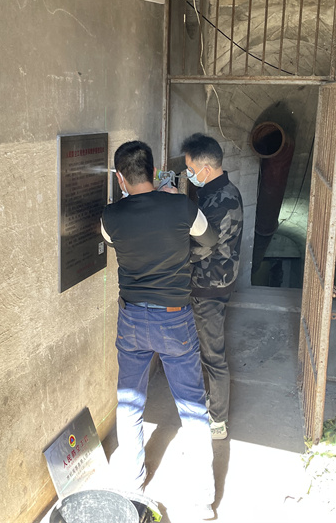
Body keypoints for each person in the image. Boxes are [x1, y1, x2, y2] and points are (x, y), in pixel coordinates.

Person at [101, 140, 218, 520]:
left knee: (129, 402)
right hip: (174, 319)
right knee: (193, 407)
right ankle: (202, 501)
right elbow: (209, 238)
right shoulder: (181, 206)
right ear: (153, 172)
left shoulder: (110, 216)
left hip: (132, 320)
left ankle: (132, 484)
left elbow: (111, 240)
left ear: (120, 177)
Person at [180, 133, 244, 441]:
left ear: (206, 168)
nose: (188, 175)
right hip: (220, 280)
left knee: (213, 355)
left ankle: (218, 420)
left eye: (190, 169)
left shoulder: (218, 202)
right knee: (209, 348)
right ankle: (213, 405)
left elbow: (201, 248)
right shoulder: (225, 190)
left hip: (209, 285)